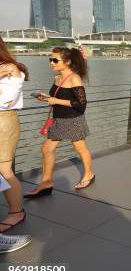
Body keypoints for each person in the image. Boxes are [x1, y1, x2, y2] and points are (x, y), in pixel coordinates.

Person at [25, 47, 95, 198]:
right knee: (46, 148)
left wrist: (56, 100)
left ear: (67, 62)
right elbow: (58, 97)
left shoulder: (74, 78)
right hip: (57, 119)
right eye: (50, 59)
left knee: (80, 148)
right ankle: (46, 182)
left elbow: (81, 104)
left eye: (55, 60)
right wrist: (46, 98)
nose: (52, 63)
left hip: (73, 119)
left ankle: (89, 174)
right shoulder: (57, 78)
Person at [0, 38, 28, 231]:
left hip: (3, 121)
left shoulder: (10, 67)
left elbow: (7, 101)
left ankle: (16, 212)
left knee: (4, 170)